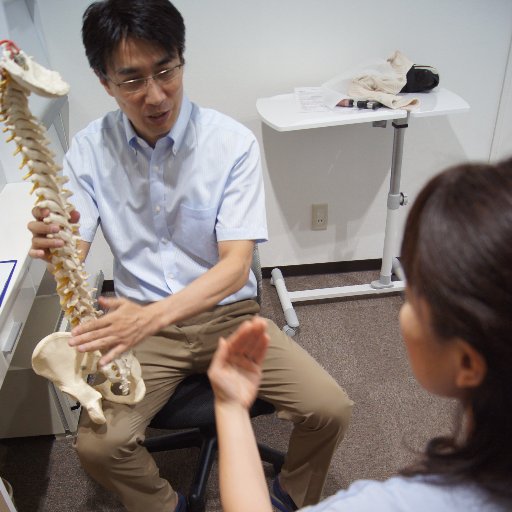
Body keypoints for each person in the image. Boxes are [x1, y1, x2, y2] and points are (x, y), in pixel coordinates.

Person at [27, 1, 353, 511]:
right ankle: (167, 506)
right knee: (98, 446)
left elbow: (233, 268)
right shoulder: (88, 152)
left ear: (182, 60)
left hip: (228, 316)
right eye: (132, 79)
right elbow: (75, 249)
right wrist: (56, 247)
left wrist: (148, 318)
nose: (155, 95)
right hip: (145, 329)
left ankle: (291, 493)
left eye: (166, 71)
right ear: (104, 80)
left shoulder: (230, 145)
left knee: (330, 407)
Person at [208, 158, 512, 512]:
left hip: (232, 315)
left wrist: (230, 407)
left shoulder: (400, 504)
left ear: (467, 362)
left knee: (330, 405)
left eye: (414, 291)